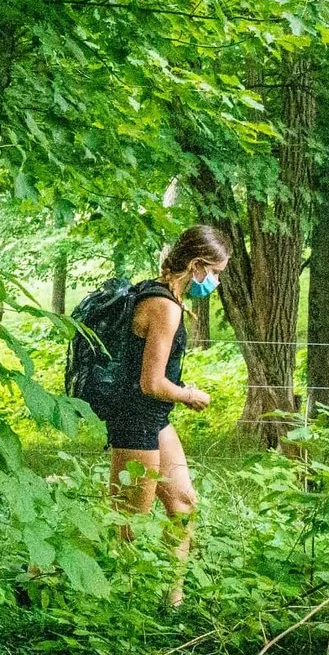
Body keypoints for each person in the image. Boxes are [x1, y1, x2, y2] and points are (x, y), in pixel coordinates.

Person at [101, 226, 228, 609]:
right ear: (196, 265)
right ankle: (118, 605)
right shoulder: (165, 306)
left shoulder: (160, 293)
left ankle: (172, 601)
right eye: (216, 273)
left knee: (183, 503)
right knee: (129, 525)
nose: (216, 282)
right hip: (136, 419)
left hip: (156, 419)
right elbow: (151, 383)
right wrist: (189, 394)